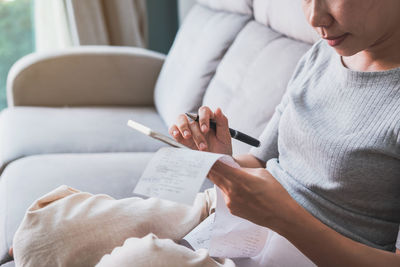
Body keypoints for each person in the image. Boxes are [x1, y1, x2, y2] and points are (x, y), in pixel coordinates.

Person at [10, 0, 400, 266]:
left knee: (137, 262)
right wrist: (217, 157)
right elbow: (261, 161)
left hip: (303, 249)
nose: (315, 19)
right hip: (235, 216)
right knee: (43, 234)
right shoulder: (322, 54)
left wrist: (281, 217)